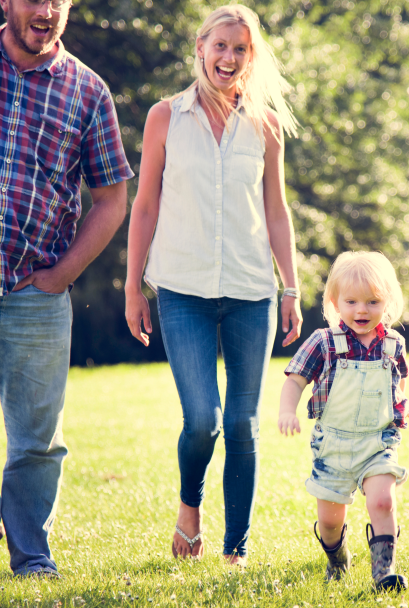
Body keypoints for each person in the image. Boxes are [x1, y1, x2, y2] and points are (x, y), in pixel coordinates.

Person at [125, 4, 302, 566]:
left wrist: (290, 288)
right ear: (200, 47)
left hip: (253, 292)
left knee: (243, 424)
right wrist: (134, 287)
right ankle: (189, 507)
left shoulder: (266, 125)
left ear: (252, 57)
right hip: (182, 290)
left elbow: (277, 210)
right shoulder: (165, 117)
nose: (229, 57)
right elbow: (145, 204)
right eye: (220, 45)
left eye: (240, 48)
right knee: (202, 419)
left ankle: (235, 550)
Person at [0, 0, 133, 577]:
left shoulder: (88, 90)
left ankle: (31, 556)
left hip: (35, 291)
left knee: (36, 441)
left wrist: (62, 274)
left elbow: (110, 199)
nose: (46, 10)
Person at [278, 251, 409, 590]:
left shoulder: (394, 345)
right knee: (329, 520)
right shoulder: (324, 342)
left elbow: (399, 382)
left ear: (387, 301)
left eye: (372, 301)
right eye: (351, 302)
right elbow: (295, 379)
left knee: (382, 500)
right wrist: (287, 411)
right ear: (335, 302)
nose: (361, 310)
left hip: (377, 442)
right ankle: (337, 558)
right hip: (333, 445)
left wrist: (400, 409)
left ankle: (384, 571)